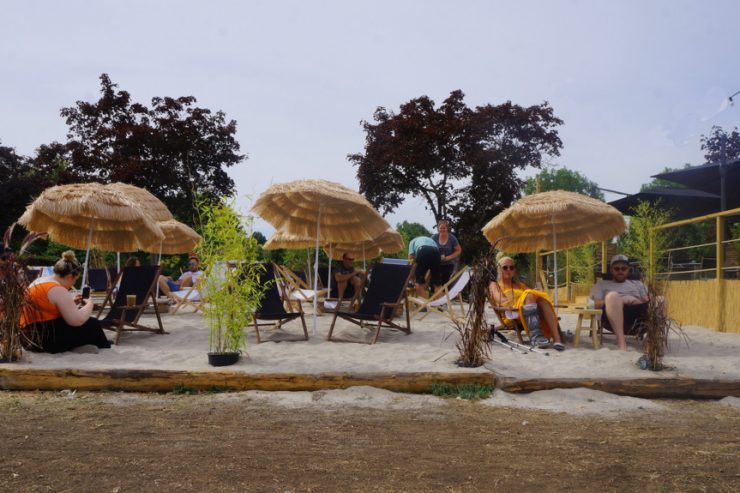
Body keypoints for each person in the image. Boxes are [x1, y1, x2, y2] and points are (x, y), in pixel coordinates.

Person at [20, 251, 111, 353]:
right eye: (75, 280)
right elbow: (77, 320)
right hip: (44, 340)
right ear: (69, 277)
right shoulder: (57, 289)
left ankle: (90, 345)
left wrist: (71, 302)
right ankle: (105, 347)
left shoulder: (39, 281)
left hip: (28, 337)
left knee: (84, 325)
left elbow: (46, 307)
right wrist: (90, 304)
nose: (74, 283)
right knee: (92, 324)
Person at [488, 256, 565, 350]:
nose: (509, 270)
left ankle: (557, 340)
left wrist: (531, 294)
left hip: (527, 310)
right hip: (512, 313)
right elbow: (502, 301)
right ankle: (535, 335)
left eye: (511, 267)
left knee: (541, 299)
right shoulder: (495, 285)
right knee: (529, 294)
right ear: (499, 269)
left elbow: (530, 297)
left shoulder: (520, 285)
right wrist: (523, 296)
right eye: (505, 267)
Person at [591, 254, 665, 351]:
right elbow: (591, 304)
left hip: (639, 316)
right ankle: (622, 344)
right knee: (613, 296)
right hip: (612, 316)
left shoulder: (638, 284)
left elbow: (648, 299)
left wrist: (637, 300)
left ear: (628, 269)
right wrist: (618, 300)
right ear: (611, 270)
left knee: (661, 300)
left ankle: (650, 342)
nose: (620, 271)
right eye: (616, 269)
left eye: (623, 268)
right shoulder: (602, 284)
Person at [432, 220, 462, 285]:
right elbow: (429, 248)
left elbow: (459, 250)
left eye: (444, 228)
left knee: (446, 284)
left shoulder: (452, 238)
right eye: (440, 228)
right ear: (438, 229)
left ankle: (446, 294)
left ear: (447, 228)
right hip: (436, 264)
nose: (442, 230)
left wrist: (448, 257)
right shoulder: (434, 237)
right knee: (435, 284)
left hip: (448, 265)